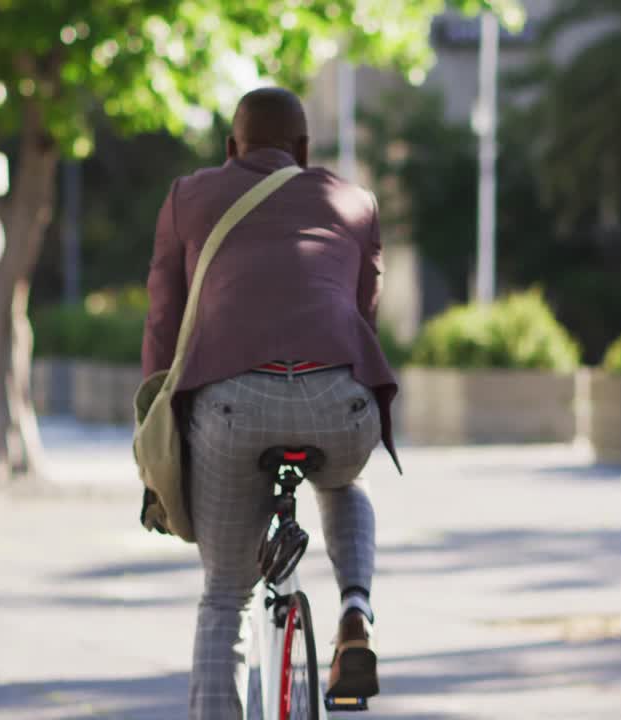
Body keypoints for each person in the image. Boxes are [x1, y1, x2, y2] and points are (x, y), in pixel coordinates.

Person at [141, 87, 400, 719]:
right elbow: (363, 319)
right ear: (305, 151)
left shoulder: (188, 197)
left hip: (233, 404)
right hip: (340, 402)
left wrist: (154, 438)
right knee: (344, 479)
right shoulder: (355, 202)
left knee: (225, 597)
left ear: (231, 149)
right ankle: (354, 611)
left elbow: (163, 326)